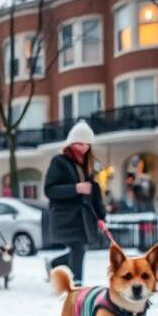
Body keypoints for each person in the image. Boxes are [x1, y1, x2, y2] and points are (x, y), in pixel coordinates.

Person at [43, 121, 106, 285]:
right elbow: (49, 190)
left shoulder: (88, 165)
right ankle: (77, 284)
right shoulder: (59, 161)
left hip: (84, 217)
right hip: (65, 216)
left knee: (79, 248)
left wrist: (101, 217)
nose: (83, 147)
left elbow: (94, 194)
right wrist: (75, 188)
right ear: (70, 143)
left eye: (86, 144)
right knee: (78, 247)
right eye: (79, 143)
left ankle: (56, 264)